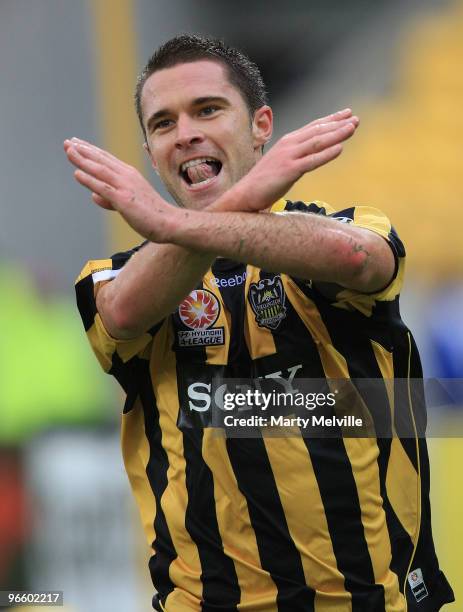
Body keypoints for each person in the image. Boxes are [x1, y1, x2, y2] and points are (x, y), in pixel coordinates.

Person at [66, 35, 454, 611]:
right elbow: (123, 313)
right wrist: (241, 197)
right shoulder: (112, 277)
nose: (187, 132)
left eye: (208, 109)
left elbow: (355, 260)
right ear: (151, 152)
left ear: (261, 126)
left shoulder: (346, 227)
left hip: (371, 600)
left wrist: (170, 221)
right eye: (164, 123)